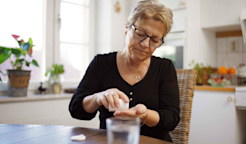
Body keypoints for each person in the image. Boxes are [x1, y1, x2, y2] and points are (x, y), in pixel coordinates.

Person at [69, 0, 180, 142]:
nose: (145, 44)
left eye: (155, 40)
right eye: (140, 33)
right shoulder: (101, 63)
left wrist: (144, 114)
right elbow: (76, 109)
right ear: (127, 28)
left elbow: (172, 119)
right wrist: (98, 97)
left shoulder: (164, 68)